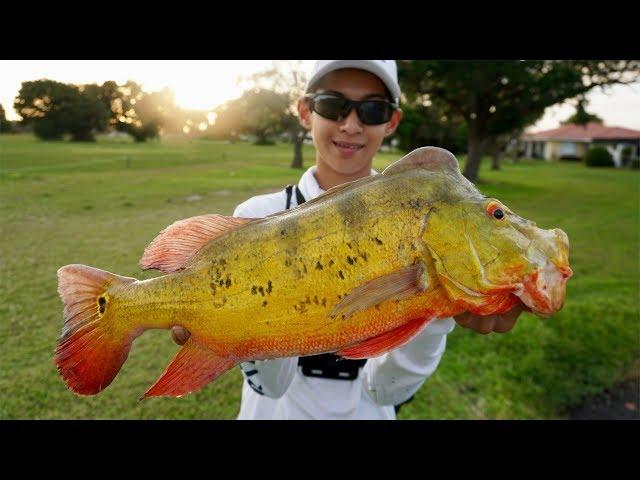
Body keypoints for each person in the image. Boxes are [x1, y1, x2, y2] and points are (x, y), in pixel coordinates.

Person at [170, 60, 523, 419]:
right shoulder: (256, 216)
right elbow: (271, 386)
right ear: (306, 112)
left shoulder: (428, 230)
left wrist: (439, 314)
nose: (351, 124)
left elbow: (387, 389)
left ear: (392, 121)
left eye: (372, 109)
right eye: (332, 105)